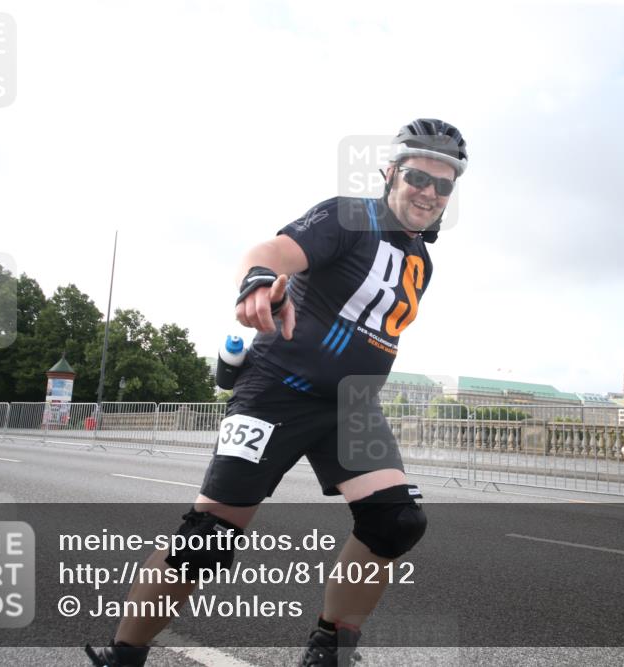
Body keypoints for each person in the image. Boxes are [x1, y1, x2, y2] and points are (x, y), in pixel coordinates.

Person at [86, 118, 467, 667]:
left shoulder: (421, 262)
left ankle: (328, 653)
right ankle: (123, 657)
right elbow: (272, 250)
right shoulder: (348, 217)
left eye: (443, 184)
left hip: (350, 406)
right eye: (418, 178)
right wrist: (259, 280)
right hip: (276, 392)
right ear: (390, 173)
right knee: (206, 541)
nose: (429, 192)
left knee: (396, 522)